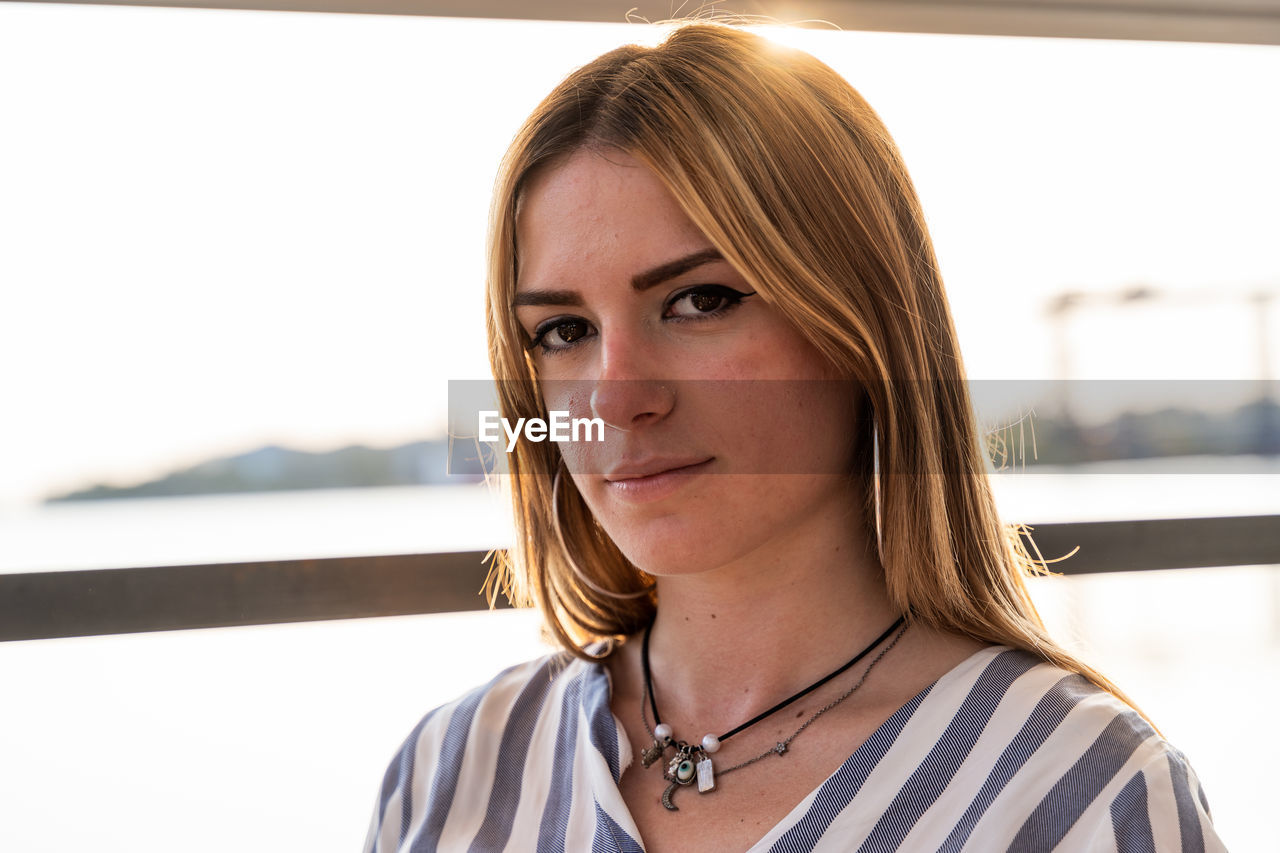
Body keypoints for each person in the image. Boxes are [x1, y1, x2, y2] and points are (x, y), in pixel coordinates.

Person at [363, 22, 1224, 852]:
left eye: (701, 300)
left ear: (863, 325)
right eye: (562, 331)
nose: (617, 396)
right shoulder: (449, 770)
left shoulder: (1080, 794)